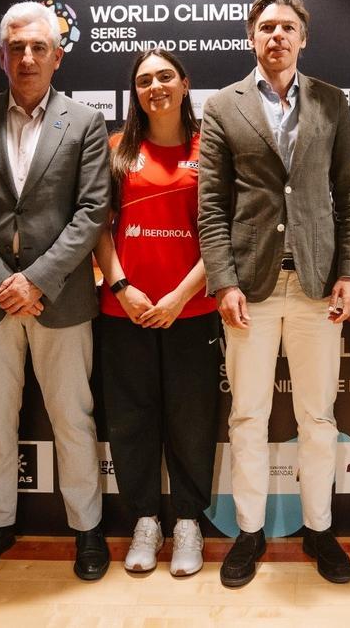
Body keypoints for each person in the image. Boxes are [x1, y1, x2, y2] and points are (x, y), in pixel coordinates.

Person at [198, 0, 350, 587]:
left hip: (319, 286)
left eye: (288, 27)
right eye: (266, 27)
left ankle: (320, 530)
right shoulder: (222, 105)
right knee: (247, 417)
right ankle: (248, 532)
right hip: (252, 288)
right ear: (251, 36)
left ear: (303, 38)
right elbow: (212, 205)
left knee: (318, 419)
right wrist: (222, 282)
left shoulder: (330, 100)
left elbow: (348, 193)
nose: (277, 36)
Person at [0, 0, 111, 584]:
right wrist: (1, 282)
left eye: (39, 47)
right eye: (16, 47)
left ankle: (87, 528)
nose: (27, 57)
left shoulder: (86, 123)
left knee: (73, 418)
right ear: (2, 56)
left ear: (58, 56)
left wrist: (36, 280)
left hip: (60, 300)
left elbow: (92, 212)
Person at [93, 49, 221, 577]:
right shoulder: (116, 149)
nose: (155, 86)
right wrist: (122, 287)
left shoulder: (209, 149)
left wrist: (180, 297)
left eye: (165, 76)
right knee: (130, 421)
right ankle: (145, 519)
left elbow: (223, 233)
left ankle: (188, 521)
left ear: (185, 83)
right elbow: (97, 228)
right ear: (135, 92)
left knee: (192, 420)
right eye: (144, 80)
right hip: (125, 310)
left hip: (191, 310)